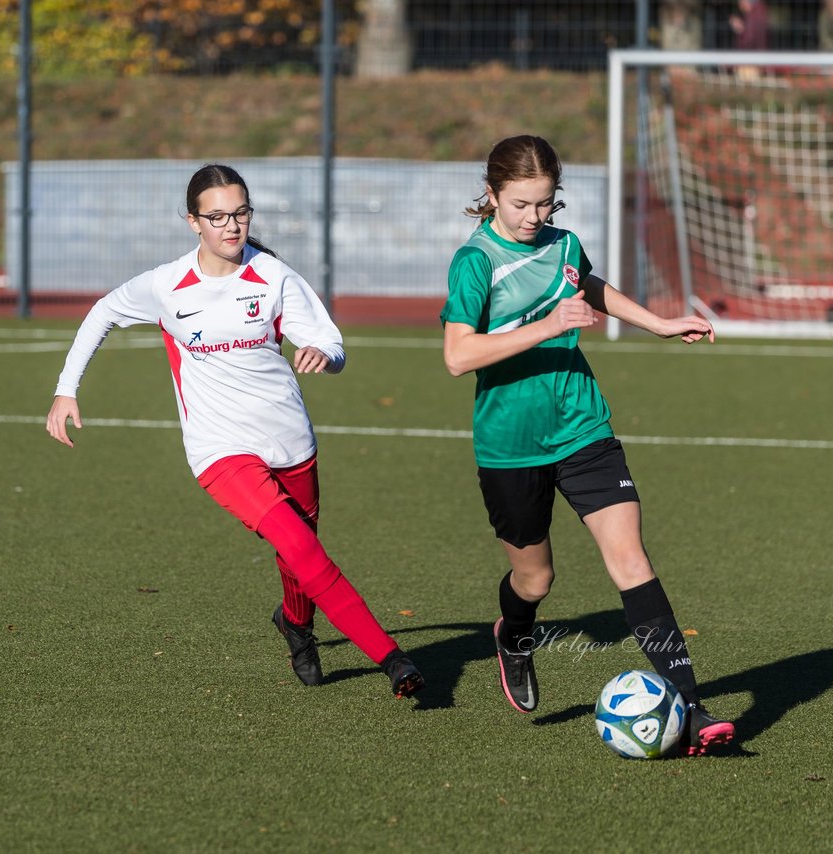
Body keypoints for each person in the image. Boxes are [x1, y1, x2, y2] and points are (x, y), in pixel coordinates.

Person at [46, 163, 424, 700]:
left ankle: (296, 624)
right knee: (302, 548)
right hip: (219, 451)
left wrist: (324, 354)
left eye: (240, 213)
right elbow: (102, 312)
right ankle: (392, 659)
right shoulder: (167, 284)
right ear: (192, 222)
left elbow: (332, 344)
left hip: (290, 441)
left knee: (300, 559)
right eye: (217, 216)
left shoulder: (274, 277)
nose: (231, 225)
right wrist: (67, 388)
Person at [440, 135, 734, 755]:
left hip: (583, 426)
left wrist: (657, 322)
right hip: (511, 445)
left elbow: (587, 284)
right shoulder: (475, 262)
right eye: (521, 204)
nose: (534, 218)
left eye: (546, 204)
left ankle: (692, 703)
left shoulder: (564, 244)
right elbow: (458, 355)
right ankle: (514, 635)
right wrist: (547, 326)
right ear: (491, 195)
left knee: (631, 560)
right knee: (535, 579)